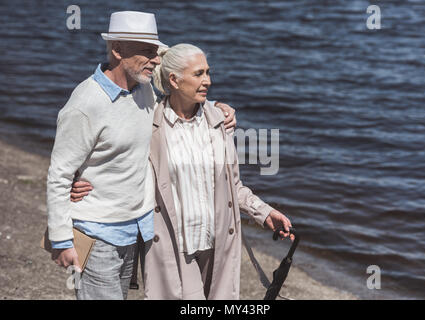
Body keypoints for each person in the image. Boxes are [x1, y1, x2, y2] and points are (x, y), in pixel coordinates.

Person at [72, 43, 295, 300]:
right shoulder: (148, 121)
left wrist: (264, 213)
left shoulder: (219, 122)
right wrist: (80, 178)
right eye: (198, 74)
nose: (208, 81)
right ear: (174, 80)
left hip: (218, 243)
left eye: (208, 72)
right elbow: (113, 157)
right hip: (174, 244)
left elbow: (232, 187)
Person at [46, 11, 235, 300]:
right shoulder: (86, 104)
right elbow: (59, 173)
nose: (156, 60)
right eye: (147, 52)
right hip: (96, 234)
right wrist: (61, 240)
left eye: (156, 52)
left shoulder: (144, 91)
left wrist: (217, 107)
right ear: (118, 50)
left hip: (136, 231)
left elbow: (179, 100)